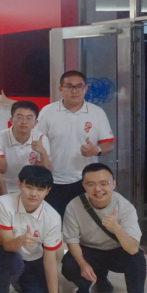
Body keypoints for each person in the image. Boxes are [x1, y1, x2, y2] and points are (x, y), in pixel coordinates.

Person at [61, 163, 147, 293]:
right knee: (69, 265)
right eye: (91, 184)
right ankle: (86, 285)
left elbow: (132, 248)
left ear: (113, 184)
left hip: (116, 251)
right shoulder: (74, 205)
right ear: (84, 185)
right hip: (89, 250)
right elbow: (72, 240)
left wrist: (116, 228)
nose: (98, 189)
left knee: (137, 259)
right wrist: (83, 264)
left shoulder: (125, 207)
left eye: (104, 183)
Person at [0, 165, 63, 293]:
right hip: (6, 254)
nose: (33, 194)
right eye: (29, 187)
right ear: (19, 184)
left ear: (48, 191)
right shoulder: (3, 204)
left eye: (40, 190)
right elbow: (7, 245)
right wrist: (21, 240)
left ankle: (19, 280)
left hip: (33, 259)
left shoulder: (53, 218)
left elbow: (50, 261)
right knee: (13, 262)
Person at [37, 71, 115, 217]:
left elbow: (109, 144)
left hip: (85, 180)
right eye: (69, 86)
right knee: (54, 222)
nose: (74, 91)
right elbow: (36, 143)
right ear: (60, 89)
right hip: (53, 179)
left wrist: (96, 150)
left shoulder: (97, 112)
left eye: (79, 86)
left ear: (86, 88)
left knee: (84, 221)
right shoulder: (48, 111)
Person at [0, 100, 52, 196]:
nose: (24, 122)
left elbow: (46, 172)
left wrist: (43, 152)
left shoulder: (41, 138)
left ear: (35, 123)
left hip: (28, 185)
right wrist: (4, 197)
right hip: (2, 184)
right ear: (11, 120)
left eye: (29, 118)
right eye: (19, 117)